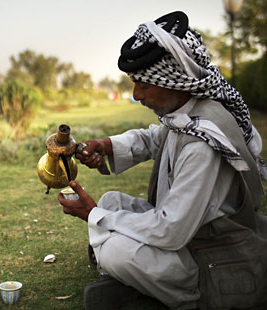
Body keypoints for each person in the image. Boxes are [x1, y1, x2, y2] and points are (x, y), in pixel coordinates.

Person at [58, 11, 267, 310]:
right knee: (112, 203)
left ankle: (186, 298)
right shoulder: (188, 112)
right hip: (190, 235)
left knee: (115, 248)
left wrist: (92, 214)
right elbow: (157, 138)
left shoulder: (201, 142)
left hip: (213, 254)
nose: (136, 94)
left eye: (143, 85)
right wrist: (106, 145)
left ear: (173, 81)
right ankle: (140, 281)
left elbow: (170, 230)